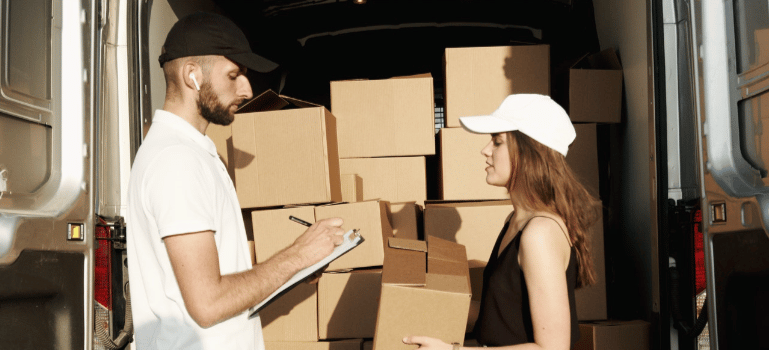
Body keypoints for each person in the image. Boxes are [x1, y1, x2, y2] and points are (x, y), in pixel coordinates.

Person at [126, 12, 345, 349]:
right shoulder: (176, 161)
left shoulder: (193, 152)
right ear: (192, 76)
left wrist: (292, 271)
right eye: (234, 75)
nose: (247, 88)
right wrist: (298, 255)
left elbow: (212, 284)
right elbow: (208, 304)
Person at [403, 94, 599, 349]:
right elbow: (501, 318)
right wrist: (422, 304)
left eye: (497, 141)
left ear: (530, 151)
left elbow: (552, 348)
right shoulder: (515, 221)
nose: (485, 150)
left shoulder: (539, 233)